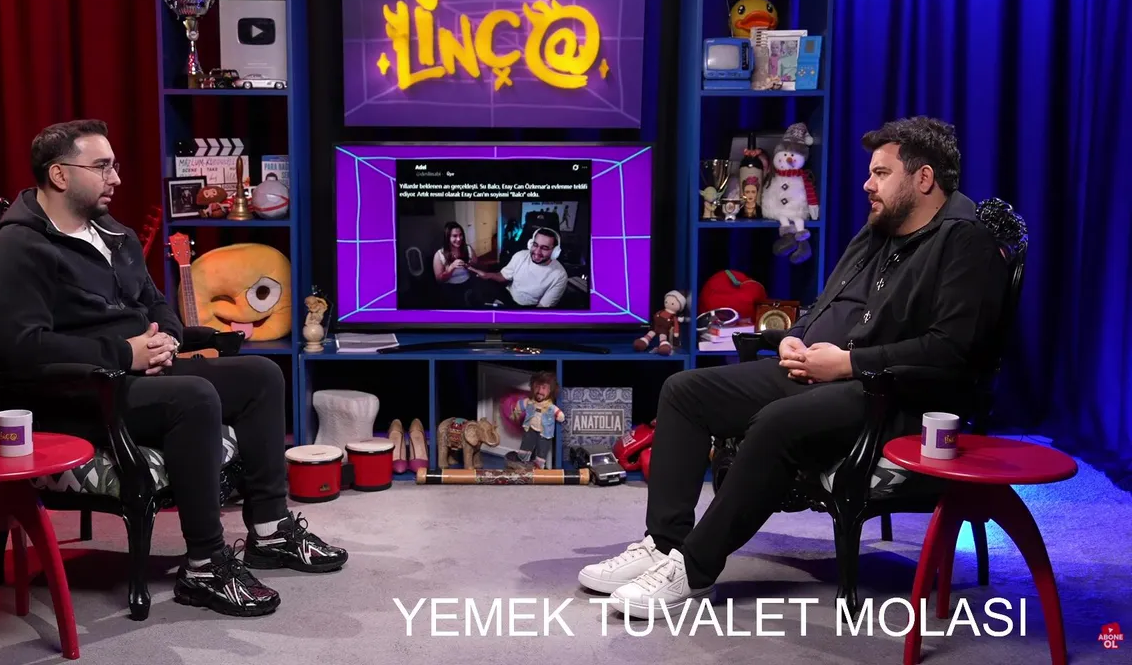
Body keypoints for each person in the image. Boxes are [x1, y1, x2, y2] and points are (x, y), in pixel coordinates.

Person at [577, 116, 1009, 618]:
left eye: (881, 173)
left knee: (776, 422)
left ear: (924, 178)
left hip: (892, 395)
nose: (867, 184)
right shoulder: (879, 230)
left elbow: (950, 350)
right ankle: (663, 544)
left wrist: (847, 363)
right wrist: (796, 338)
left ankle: (693, 569)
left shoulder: (966, 242)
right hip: (824, 371)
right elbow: (829, 304)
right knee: (684, 391)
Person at [0, 119, 347, 619]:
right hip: (77, 394)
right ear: (59, 175)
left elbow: (154, 302)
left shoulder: (115, 234)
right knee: (194, 397)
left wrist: (167, 336)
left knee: (262, 376)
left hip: (140, 373)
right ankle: (204, 565)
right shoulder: (17, 248)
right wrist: (124, 354)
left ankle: (270, 532)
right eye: (101, 167)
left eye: (114, 165)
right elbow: (21, 348)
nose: (116, 178)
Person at [470, 227, 568, 308]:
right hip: (508, 295)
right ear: (530, 244)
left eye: (544, 248)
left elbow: (542, 308)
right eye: (535, 245)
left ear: (555, 252)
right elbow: (503, 276)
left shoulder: (560, 275)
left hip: (529, 307)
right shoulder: (520, 256)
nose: (537, 252)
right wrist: (488, 275)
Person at [432, 221, 476, 307]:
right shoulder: (439, 254)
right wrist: (451, 267)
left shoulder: (468, 248)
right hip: (450, 288)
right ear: (447, 237)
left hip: (468, 283)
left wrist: (469, 265)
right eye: (455, 236)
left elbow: (476, 265)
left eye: (460, 235)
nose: (459, 239)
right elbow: (439, 280)